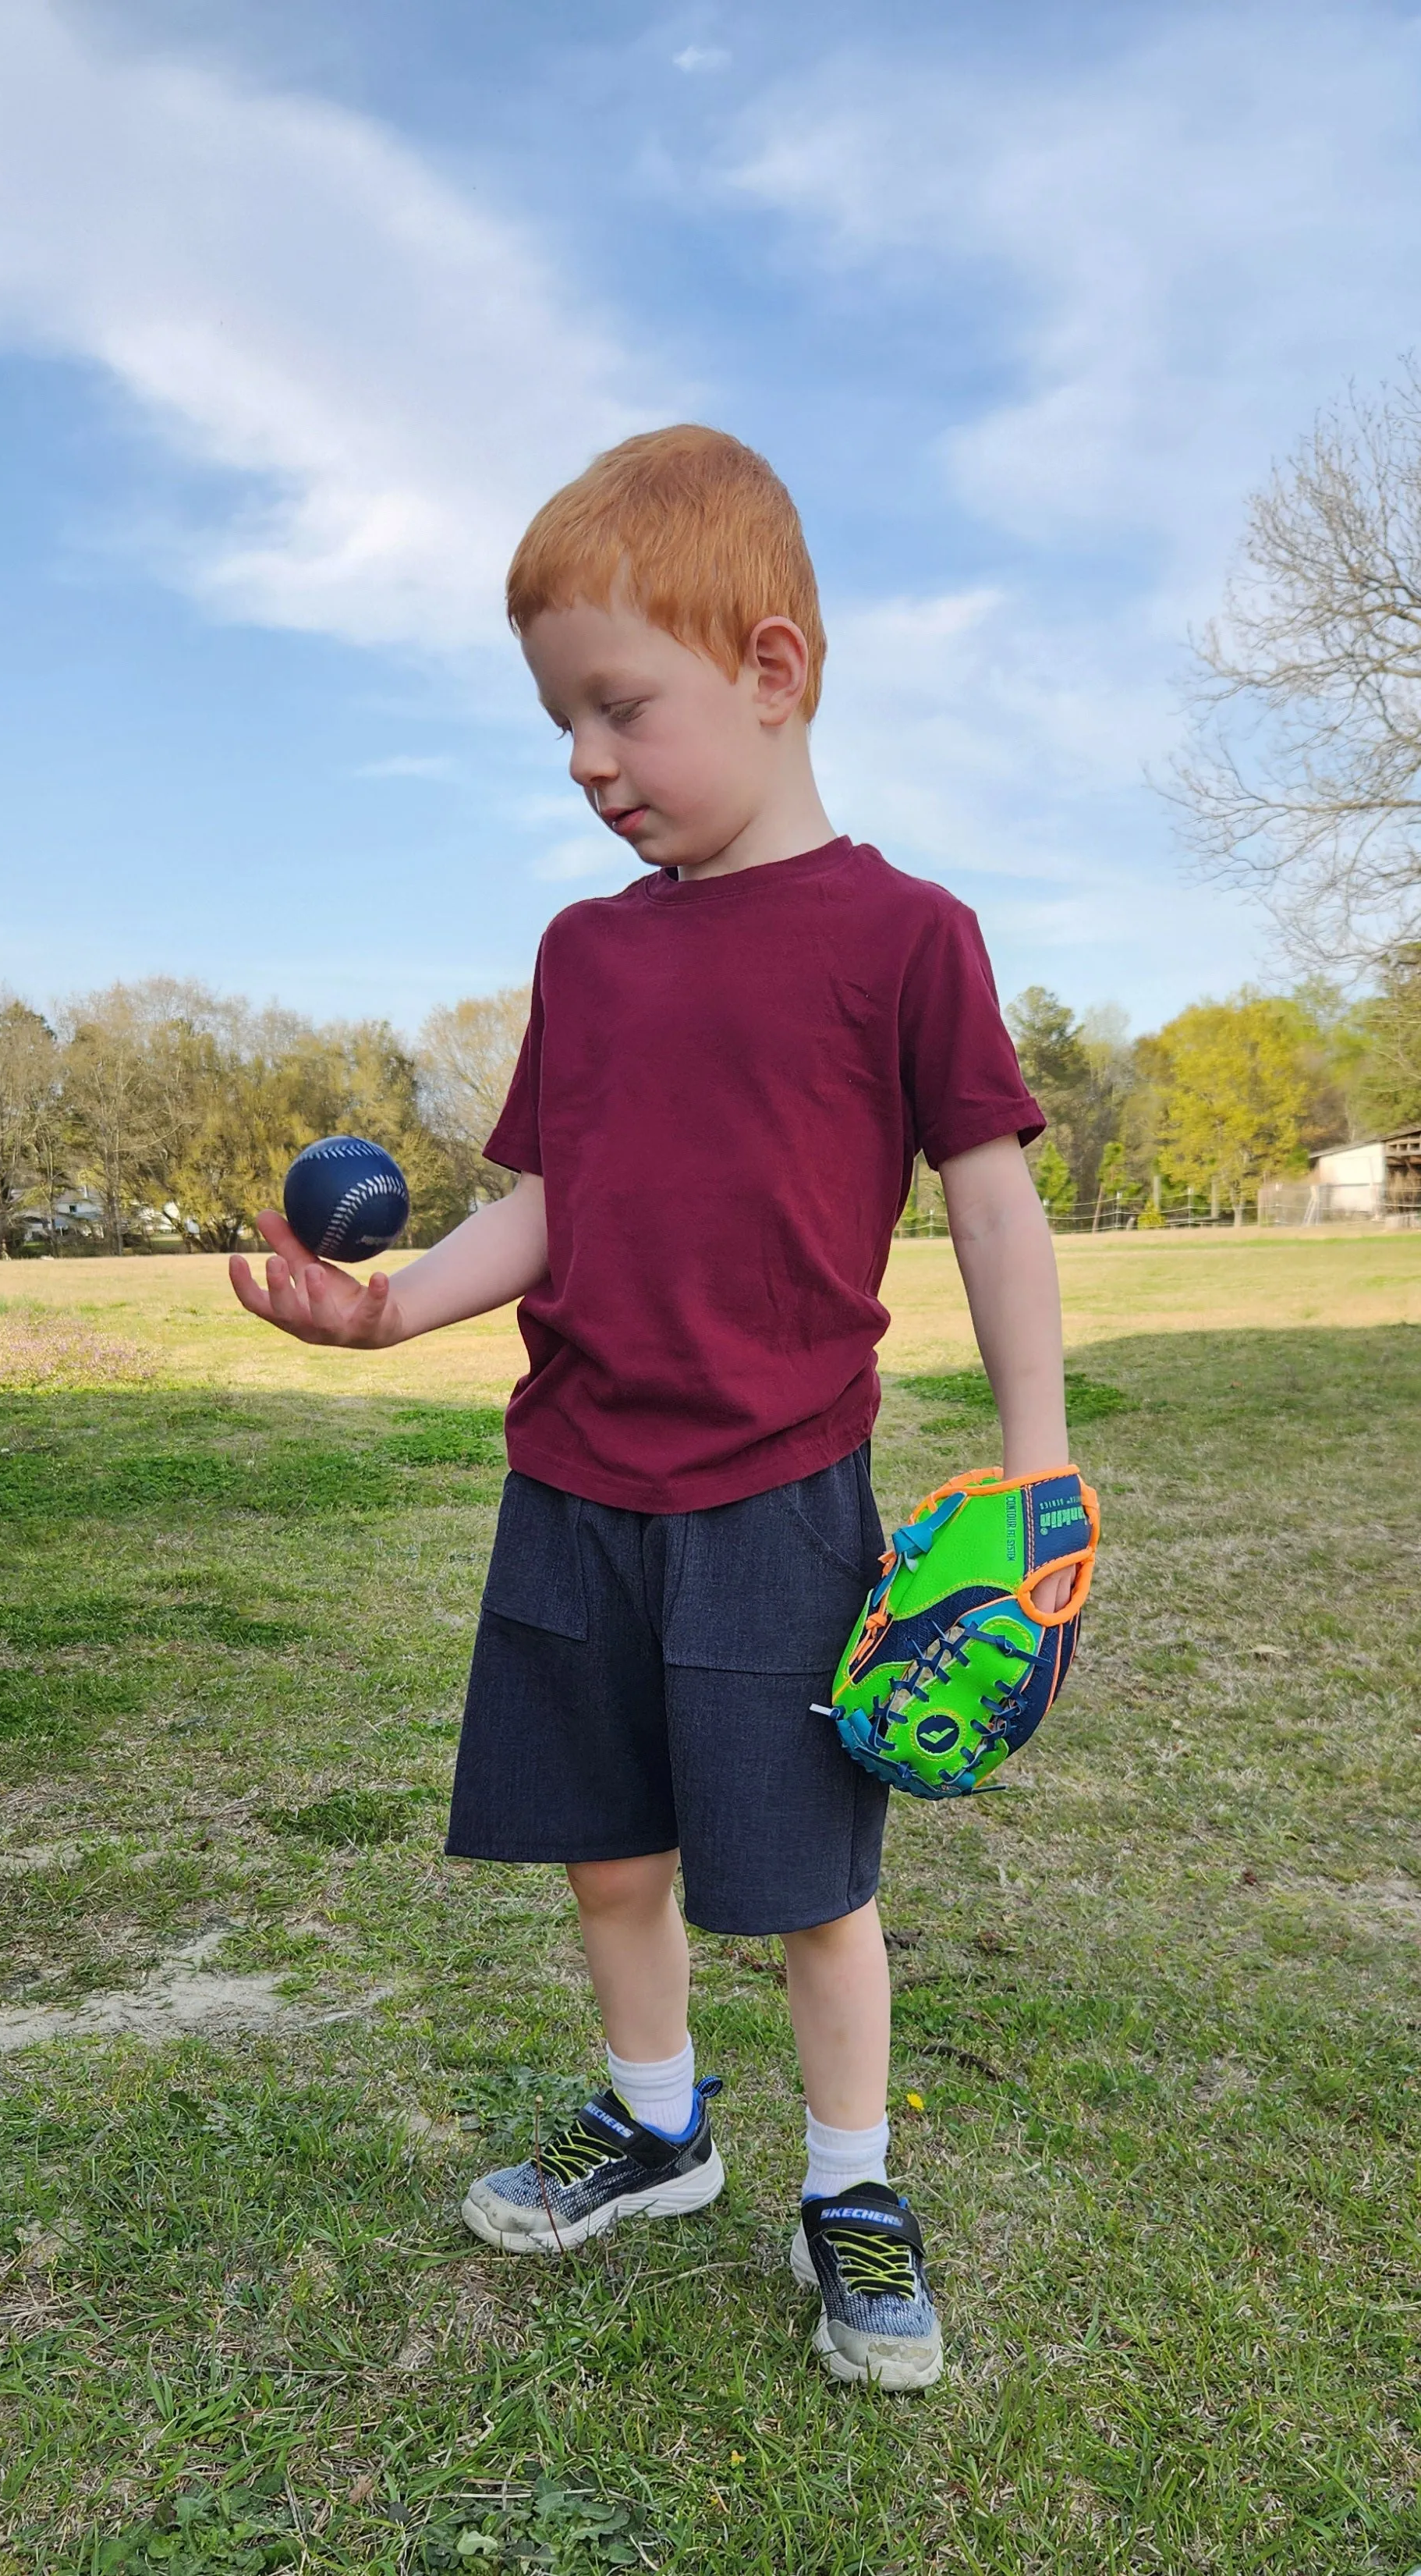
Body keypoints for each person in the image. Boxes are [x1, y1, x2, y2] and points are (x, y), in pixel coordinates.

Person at [229, 424, 1075, 2393]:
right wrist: (389, 1309)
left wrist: (1035, 1457)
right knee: (610, 1858)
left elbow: (990, 1196)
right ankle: (657, 2125)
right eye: (561, 724)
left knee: (807, 1887)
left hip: (779, 1498)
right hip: (575, 1487)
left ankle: (849, 2186)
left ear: (770, 671)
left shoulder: (902, 937)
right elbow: (543, 1202)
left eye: (619, 707)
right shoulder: (583, 957)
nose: (587, 761)